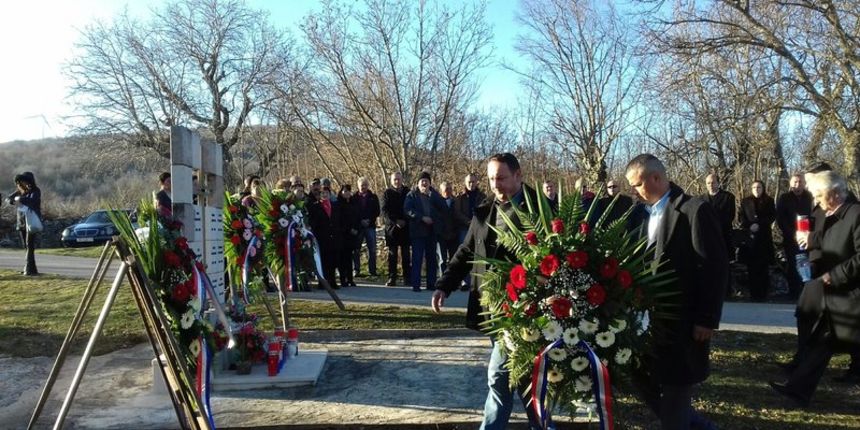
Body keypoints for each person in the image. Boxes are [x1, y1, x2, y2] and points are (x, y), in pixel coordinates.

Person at [432, 153, 550, 430]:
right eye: (492, 178)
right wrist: (444, 286)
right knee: (519, 379)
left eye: (502, 178)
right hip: (491, 308)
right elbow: (466, 252)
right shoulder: (486, 210)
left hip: (524, 311)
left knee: (498, 376)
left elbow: (553, 259)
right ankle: (542, 425)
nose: (496, 184)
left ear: (518, 175)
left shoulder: (540, 211)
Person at [624, 154, 727, 430]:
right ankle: (698, 425)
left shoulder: (694, 210)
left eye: (636, 185)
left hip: (683, 321)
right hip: (647, 321)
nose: (633, 192)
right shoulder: (638, 215)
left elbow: (713, 267)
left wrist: (707, 318)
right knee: (639, 376)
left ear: (655, 178)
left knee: (675, 391)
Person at [771, 170, 860, 407]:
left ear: (836, 193)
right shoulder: (832, 214)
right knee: (820, 343)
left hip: (851, 294)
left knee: (833, 341)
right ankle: (797, 392)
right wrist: (812, 242)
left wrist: (836, 274)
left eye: (820, 196)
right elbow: (831, 240)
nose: (817, 201)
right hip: (836, 295)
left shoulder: (855, 214)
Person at [404, 171, 446, 292]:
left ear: (429, 183)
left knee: (432, 259)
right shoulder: (411, 195)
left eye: (426, 181)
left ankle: (431, 283)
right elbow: (407, 210)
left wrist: (432, 196)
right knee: (417, 259)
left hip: (431, 232)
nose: (424, 183)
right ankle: (416, 285)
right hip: (417, 232)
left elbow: (443, 207)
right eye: (422, 181)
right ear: (418, 183)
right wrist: (421, 217)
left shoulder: (434, 194)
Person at [775, 174, 814, 300]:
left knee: (807, 263)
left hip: (809, 236)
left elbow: (814, 215)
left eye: (800, 182)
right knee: (793, 264)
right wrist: (793, 233)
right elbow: (781, 219)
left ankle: (807, 291)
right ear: (791, 184)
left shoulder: (810, 197)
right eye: (795, 182)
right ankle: (795, 292)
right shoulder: (785, 198)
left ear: (804, 183)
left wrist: (810, 233)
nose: (798, 185)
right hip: (791, 237)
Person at [739, 180, 776, 302]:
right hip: (750, 240)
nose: (756, 189)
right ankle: (753, 294)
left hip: (764, 238)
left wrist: (759, 224)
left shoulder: (769, 201)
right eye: (754, 187)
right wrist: (749, 225)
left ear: (763, 188)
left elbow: (772, 216)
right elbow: (741, 217)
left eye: (759, 187)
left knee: (763, 268)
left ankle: (763, 294)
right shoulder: (745, 201)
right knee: (752, 268)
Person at [453, 173, 486, 291]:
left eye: (473, 182)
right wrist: (468, 222)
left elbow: (485, 211)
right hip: (464, 228)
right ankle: (465, 281)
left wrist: (476, 222)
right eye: (469, 182)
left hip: (479, 228)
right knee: (464, 255)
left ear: (477, 182)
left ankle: (477, 281)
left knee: (478, 255)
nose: (471, 184)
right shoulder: (460, 197)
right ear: (465, 183)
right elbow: (457, 212)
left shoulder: (482, 196)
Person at [308, 187, 343, 289]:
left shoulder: (335, 206)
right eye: (322, 193)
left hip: (334, 237)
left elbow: (339, 220)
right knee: (323, 261)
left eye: (326, 193)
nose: (324, 195)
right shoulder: (315, 207)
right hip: (322, 237)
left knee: (333, 261)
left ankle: (332, 281)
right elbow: (313, 222)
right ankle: (323, 282)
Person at [8, 172, 42, 276]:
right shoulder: (20, 191)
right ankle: (31, 268)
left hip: (30, 221)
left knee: (29, 245)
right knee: (26, 246)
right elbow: (9, 199)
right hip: (22, 221)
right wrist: (15, 200)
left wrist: (19, 199)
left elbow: (32, 200)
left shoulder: (36, 191)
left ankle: (29, 269)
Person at [382, 172, 411, 287]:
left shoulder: (408, 192)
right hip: (392, 228)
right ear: (391, 180)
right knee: (392, 255)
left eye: (398, 179)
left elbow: (411, 208)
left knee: (406, 254)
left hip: (405, 227)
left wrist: (405, 220)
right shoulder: (387, 193)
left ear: (402, 179)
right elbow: (384, 211)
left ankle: (407, 278)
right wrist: (396, 221)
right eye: (395, 179)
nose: (397, 181)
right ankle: (392, 278)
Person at [701, 174, 736, 265]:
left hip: (723, 235)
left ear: (718, 183)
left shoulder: (728, 197)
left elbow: (730, 216)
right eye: (708, 183)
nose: (711, 185)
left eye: (713, 183)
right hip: (707, 237)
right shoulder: (700, 199)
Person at [351, 176, 380, 277]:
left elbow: (377, 211)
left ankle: (372, 270)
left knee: (372, 249)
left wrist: (369, 220)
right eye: (361, 185)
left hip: (370, 225)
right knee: (356, 249)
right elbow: (352, 213)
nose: (363, 187)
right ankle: (356, 269)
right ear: (358, 185)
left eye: (365, 185)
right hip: (358, 226)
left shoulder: (373, 197)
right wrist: (360, 221)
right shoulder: (353, 198)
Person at [338, 185, 361, 287]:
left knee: (349, 257)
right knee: (343, 258)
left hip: (353, 234)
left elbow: (357, 217)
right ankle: (343, 279)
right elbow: (340, 220)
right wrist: (348, 229)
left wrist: (356, 228)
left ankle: (350, 279)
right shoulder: (339, 204)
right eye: (345, 191)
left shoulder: (353, 203)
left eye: (348, 191)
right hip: (343, 234)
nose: (347, 193)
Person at [437, 181, 459, 274]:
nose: (449, 191)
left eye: (450, 189)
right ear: (441, 190)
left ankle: (452, 279)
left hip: (453, 234)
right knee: (442, 259)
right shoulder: (437, 202)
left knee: (453, 259)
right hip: (441, 235)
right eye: (446, 189)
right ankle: (443, 278)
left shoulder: (456, 201)